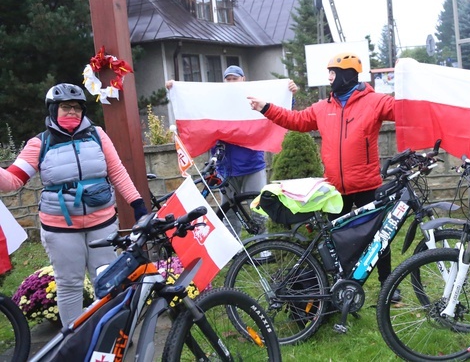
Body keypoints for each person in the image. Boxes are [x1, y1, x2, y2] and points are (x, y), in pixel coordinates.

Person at [247, 52, 399, 294]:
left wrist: (406, 82)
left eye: (333, 72)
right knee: (334, 240)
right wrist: (266, 107)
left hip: (367, 185)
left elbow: (403, 110)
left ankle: (388, 285)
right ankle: (341, 286)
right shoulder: (322, 107)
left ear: (347, 75)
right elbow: (295, 120)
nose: (329, 77)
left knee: (378, 237)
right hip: (335, 190)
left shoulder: (375, 101)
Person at [0, 83, 147, 327]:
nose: (72, 112)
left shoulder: (98, 135)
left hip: (102, 222)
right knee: (69, 283)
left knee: (108, 278)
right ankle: (74, 341)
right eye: (66, 107)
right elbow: (14, 179)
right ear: (53, 110)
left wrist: (137, 203)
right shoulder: (40, 143)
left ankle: (111, 335)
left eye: (77, 107)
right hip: (60, 228)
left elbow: (117, 172)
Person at [167, 65, 298, 238]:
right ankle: (235, 249)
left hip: (252, 164)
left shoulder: (254, 97)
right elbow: (195, 104)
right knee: (229, 211)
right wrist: (175, 89)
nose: (231, 82)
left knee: (258, 206)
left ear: (243, 79)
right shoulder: (217, 100)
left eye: (234, 78)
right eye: (227, 79)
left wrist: (290, 94)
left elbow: (277, 108)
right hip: (225, 167)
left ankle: (262, 245)